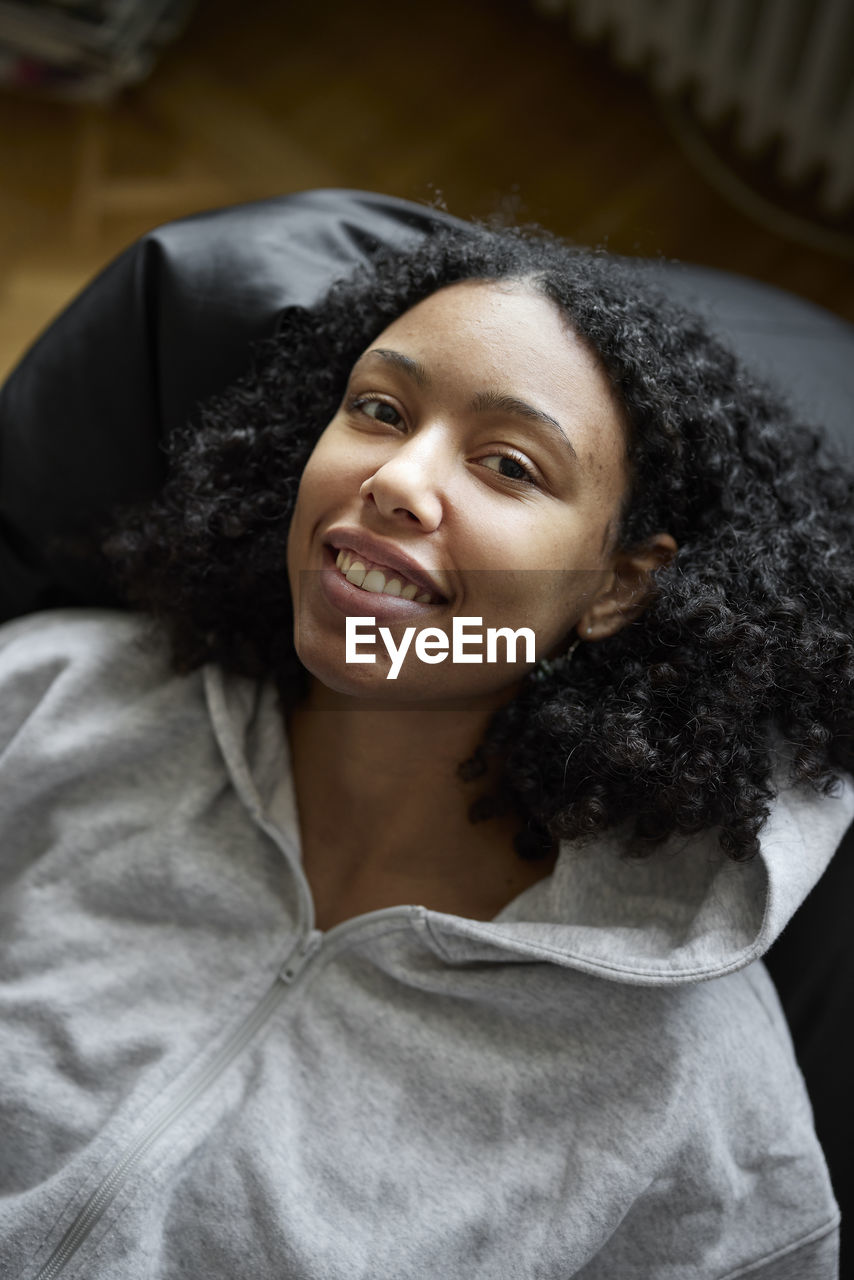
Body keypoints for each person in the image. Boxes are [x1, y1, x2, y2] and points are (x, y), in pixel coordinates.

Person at [1, 220, 852, 1279]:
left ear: (618, 584)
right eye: (378, 409)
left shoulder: (692, 1089)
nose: (397, 477)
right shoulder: (46, 699)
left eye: (505, 464)